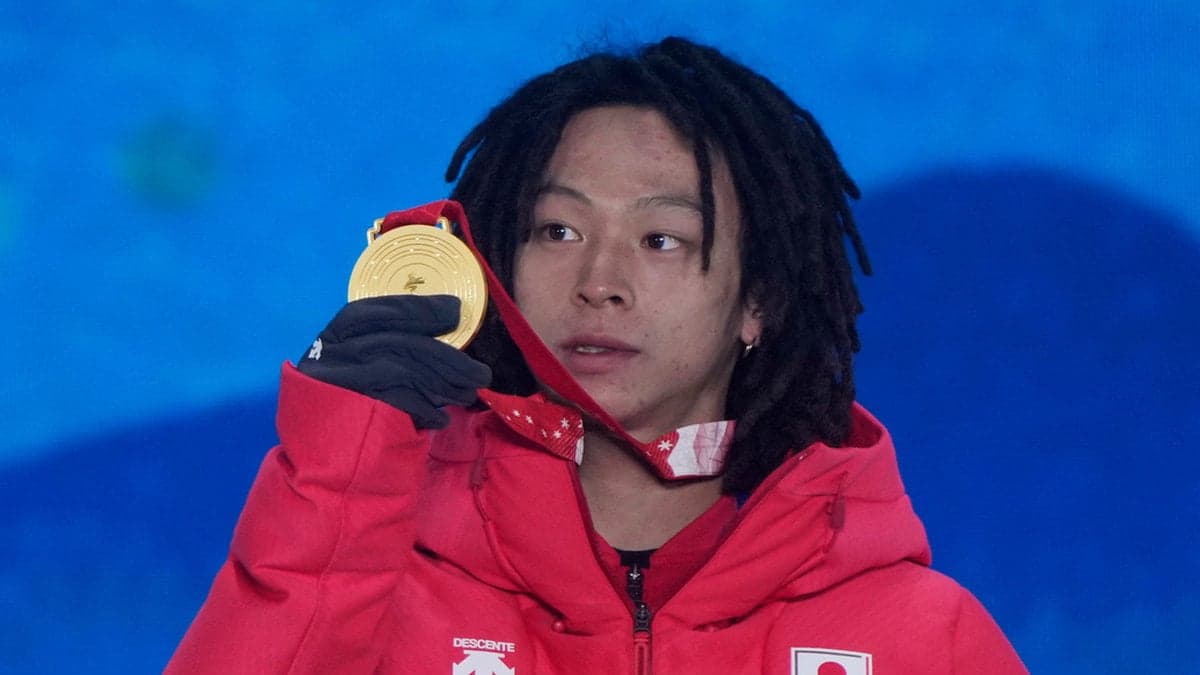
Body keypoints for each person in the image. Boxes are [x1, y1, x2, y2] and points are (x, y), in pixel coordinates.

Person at [167, 37, 1027, 673]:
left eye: (661, 239)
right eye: (558, 230)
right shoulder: (377, 583)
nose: (599, 283)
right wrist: (336, 480)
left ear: (757, 302)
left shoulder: (924, 637)